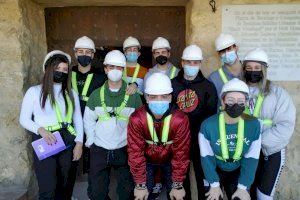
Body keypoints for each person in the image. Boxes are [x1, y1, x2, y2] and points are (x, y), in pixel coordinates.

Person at [19, 50, 83, 199]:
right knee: (48, 188)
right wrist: (41, 130)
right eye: (57, 69)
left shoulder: (71, 93)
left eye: (65, 70)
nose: (61, 72)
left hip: (67, 140)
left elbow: (78, 119)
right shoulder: (34, 92)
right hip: (45, 140)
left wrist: (79, 144)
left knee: (66, 186)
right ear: (48, 69)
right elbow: (24, 119)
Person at [83, 50, 142, 200]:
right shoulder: (96, 95)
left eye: (118, 67)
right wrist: (90, 140)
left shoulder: (133, 95)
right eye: (111, 67)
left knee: (127, 191)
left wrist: (135, 145)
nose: (114, 70)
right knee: (97, 193)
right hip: (100, 148)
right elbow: (88, 119)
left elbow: (141, 123)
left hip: (124, 147)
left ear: (123, 70)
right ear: (105, 69)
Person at [241, 48, 296, 200]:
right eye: (249, 68)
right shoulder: (237, 90)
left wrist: (258, 142)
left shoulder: (278, 93)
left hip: (270, 153)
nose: (253, 71)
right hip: (244, 152)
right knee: (245, 193)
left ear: (264, 70)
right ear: (244, 69)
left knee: (263, 195)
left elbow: (285, 126)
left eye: (257, 68)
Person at [127, 73, 190, 200]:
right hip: (147, 161)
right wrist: (140, 185)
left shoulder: (180, 119)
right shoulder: (137, 118)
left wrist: (177, 184)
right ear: (147, 98)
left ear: (171, 97)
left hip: (171, 161)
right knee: (143, 195)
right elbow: (135, 152)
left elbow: (181, 154)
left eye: (164, 96)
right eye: (154, 97)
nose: (159, 100)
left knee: (176, 195)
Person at [199, 78, 261, 200]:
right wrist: (214, 184)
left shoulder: (253, 125)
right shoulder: (208, 125)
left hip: (238, 170)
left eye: (241, 101)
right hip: (214, 169)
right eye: (230, 100)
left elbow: (251, 158)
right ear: (222, 102)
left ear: (247, 103)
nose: (235, 105)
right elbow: (207, 158)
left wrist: (243, 187)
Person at [171, 44, 218, 200]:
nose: (192, 66)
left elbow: (212, 117)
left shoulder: (208, 87)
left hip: (201, 141)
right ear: (182, 62)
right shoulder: (172, 84)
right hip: (178, 142)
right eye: (188, 62)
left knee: (203, 178)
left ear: (200, 63)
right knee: (180, 181)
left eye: (195, 62)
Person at [71, 36, 107, 183]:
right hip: (71, 121)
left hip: (93, 122)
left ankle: (95, 190)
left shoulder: (101, 76)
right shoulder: (67, 74)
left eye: (87, 52)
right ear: (75, 54)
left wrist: (134, 86)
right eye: (80, 51)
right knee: (70, 158)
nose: (84, 55)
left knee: (93, 158)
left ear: (93, 55)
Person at [209, 33, 243, 99]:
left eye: (229, 49)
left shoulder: (250, 72)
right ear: (219, 54)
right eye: (222, 51)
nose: (226, 53)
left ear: (236, 48)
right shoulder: (214, 78)